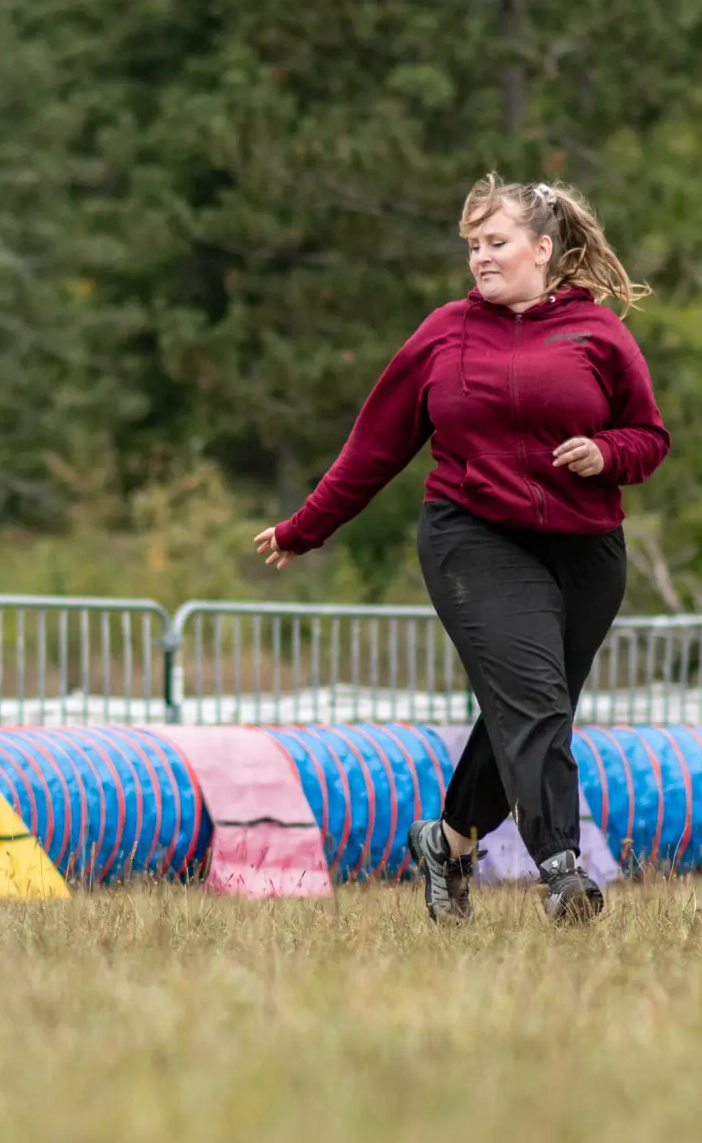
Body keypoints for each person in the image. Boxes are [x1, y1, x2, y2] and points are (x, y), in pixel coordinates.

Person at [254, 175, 668, 925]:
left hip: (586, 551)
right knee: (535, 702)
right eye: (472, 245)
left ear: (543, 250)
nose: (480, 257)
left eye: (496, 242)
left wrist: (606, 454)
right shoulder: (445, 332)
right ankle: (562, 870)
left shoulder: (599, 333)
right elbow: (373, 447)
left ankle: (446, 844)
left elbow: (650, 437)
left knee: (528, 712)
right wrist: (306, 526)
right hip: (471, 535)